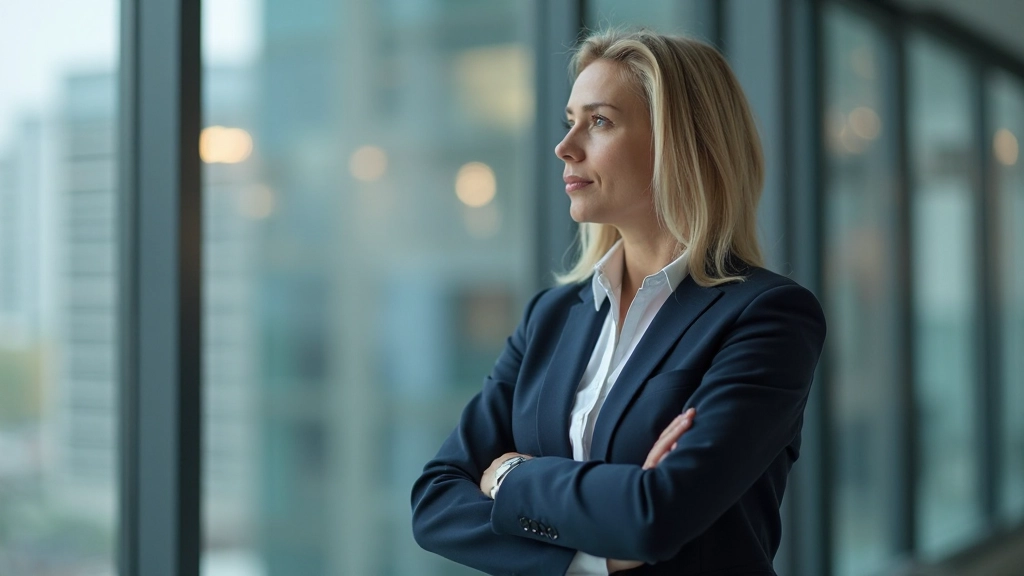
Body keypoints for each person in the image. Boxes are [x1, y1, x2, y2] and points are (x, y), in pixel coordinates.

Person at [411, 28, 826, 576]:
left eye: (599, 121)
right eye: (570, 121)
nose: (566, 146)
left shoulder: (767, 316)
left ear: (682, 142)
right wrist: (606, 552)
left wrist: (510, 476)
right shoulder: (552, 317)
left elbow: (656, 516)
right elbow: (435, 502)